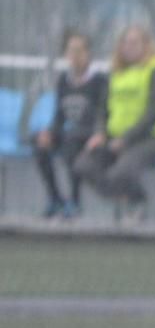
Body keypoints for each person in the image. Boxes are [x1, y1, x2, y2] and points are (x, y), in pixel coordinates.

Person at [74, 24, 155, 223]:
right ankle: (134, 197)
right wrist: (100, 132)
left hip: (149, 138)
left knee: (120, 173)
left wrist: (127, 138)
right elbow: (103, 109)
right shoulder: (116, 73)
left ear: (146, 45)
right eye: (125, 43)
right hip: (114, 137)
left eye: (134, 43)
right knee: (83, 165)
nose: (128, 47)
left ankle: (135, 203)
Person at [33, 31, 108, 219]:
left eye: (79, 51)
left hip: (90, 134)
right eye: (70, 51)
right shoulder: (63, 81)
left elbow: (103, 112)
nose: (74, 56)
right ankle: (55, 198)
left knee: (71, 141)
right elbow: (60, 115)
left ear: (88, 53)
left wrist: (100, 133)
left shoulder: (99, 81)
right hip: (69, 132)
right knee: (38, 143)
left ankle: (75, 201)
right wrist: (49, 132)